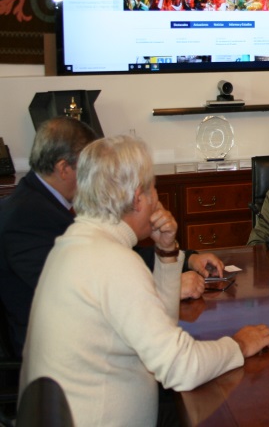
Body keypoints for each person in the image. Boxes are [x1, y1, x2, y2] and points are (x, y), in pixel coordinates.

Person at [19, 135, 269, 425]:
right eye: (154, 188)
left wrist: (166, 252)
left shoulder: (74, 245)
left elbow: (162, 325)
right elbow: (182, 368)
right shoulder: (113, 261)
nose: (158, 199)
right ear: (138, 197)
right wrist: (238, 344)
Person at [0, 117, 223, 358]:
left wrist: (184, 258)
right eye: (89, 168)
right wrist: (164, 290)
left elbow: (111, 258)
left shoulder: (38, 202)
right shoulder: (27, 217)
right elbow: (85, 296)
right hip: (55, 353)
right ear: (64, 168)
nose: (97, 177)